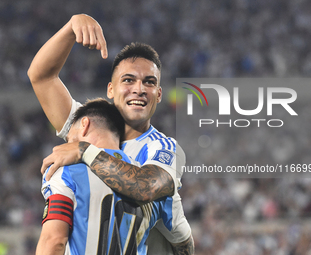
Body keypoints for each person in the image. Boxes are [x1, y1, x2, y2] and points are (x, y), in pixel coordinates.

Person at [28, 14, 194, 254]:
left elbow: (144, 188)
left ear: (158, 94)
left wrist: (84, 150)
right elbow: (41, 77)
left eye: (149, 82)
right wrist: (70, 27)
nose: (138, 89)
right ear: (111, 89)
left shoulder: (164, 149)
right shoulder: (89, 121)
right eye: (128, 80)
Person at [36, 98, 190, 255]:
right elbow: (184, 243)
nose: (68, 146)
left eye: (70, 139)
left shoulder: (66, 171)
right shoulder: (152, 182)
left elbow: (54, 241)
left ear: (84, 124)